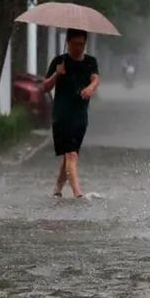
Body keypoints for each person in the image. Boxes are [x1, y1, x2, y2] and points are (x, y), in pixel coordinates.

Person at [43, 29, 100, 198]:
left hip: (80, 116)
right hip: (61, 115)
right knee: (71, 154)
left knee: (71, 155)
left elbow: (96, 78)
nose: (78, 48)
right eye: (75, 44)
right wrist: (56, 75)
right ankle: (78, 193)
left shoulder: (90, 62)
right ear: (68, 42)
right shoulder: (59, 61)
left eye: (81, 44)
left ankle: (57, 188)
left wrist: (90, 88)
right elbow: (45, 87)